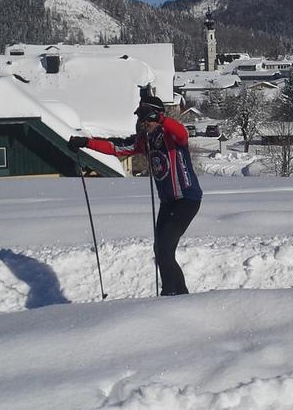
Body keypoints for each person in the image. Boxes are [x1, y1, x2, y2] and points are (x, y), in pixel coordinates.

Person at [68, 93, 201, 296]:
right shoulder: (144, 141)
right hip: (168, 202)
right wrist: (86, 143)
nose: (143, 122)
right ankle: (181, 295)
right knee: (161, 251)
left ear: (157, 117)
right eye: (141, 118)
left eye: (147, 117)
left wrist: (161, 119)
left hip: (186, 199)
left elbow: (182, 133)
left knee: (165, 249)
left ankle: (169, 296)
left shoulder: (171, 136)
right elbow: (115, 148)